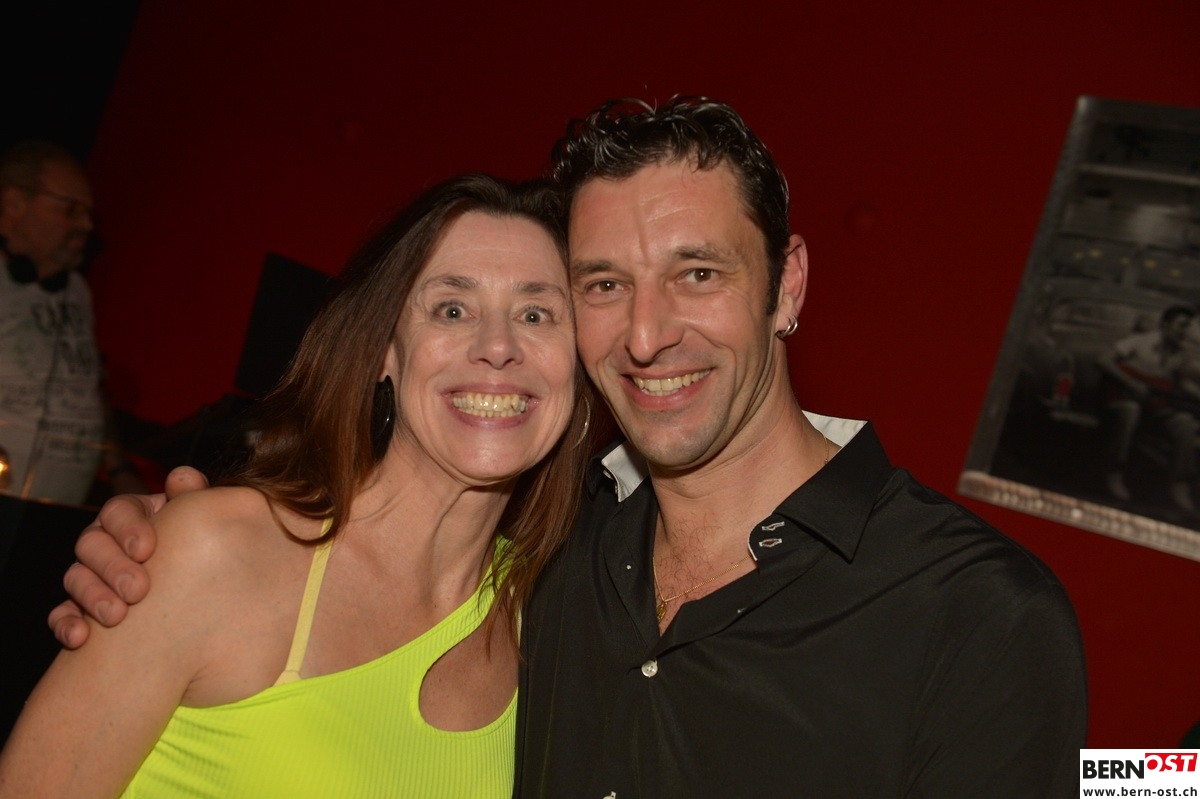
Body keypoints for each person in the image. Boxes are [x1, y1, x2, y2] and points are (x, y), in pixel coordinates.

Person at [49, 97, 1087, 797]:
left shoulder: (977, 617)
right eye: (602, 285)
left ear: (790, 285)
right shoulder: (553, 570)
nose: (646, 333)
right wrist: (172, 548)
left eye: (697, 273)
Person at [0, 174, 590, 797]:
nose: (498, 346)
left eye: (536, 314)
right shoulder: (215, 552)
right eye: (451, 309)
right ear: (385, 350)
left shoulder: (553, 621)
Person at [0, 139, 145, 504]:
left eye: (89, 214)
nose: (86, 224)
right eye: (71, 209)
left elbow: (88, 385)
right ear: (14, 204)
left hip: (59, 502)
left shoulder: (76, 291)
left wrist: (119, 469)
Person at [1098, 304, 1200, 510]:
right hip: (1125, 401)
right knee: (1130, 411)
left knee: (1185, 423)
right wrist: (1131, 383)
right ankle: (1114, 472)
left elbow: (1183, 384)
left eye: (1188, 326)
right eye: (1181, 325)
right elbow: (1103, 360)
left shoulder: (1183, 353)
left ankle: (1178, 485)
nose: (1185, 331)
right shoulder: (1141, 341)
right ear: (1165, 325)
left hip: (1156, 407)